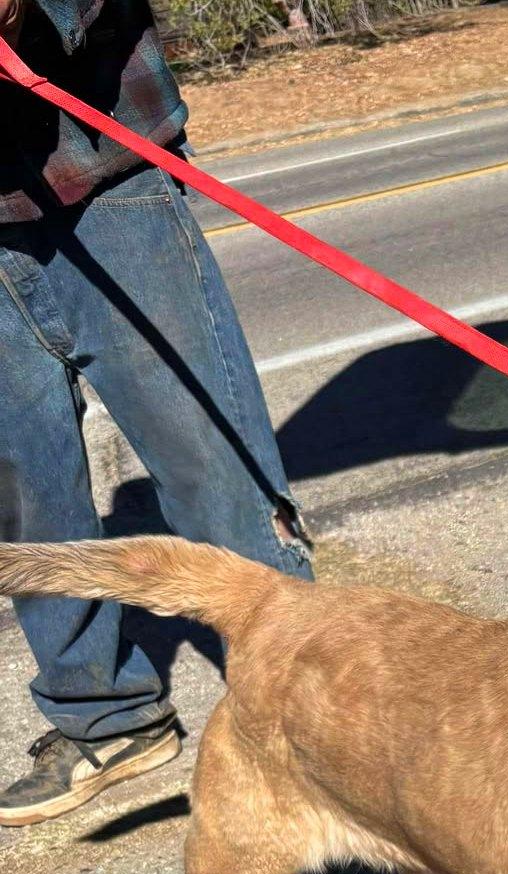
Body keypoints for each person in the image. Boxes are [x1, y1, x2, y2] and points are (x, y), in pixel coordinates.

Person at [0, 0, 312, 826]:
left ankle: (308, 708)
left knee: (209, 462)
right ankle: (105, 716)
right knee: (22, 493)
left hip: (99, 167)